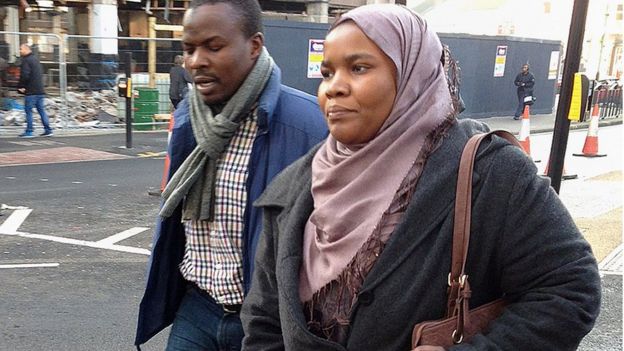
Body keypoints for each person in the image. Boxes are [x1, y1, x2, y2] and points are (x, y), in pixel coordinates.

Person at [241, 4, 600, 351]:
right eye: (327, 73)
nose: (334, 87)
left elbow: (569, 287)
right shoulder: (296, 187)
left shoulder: (489, 174)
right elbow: (264, 321)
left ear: (414, 75)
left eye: (359, 68)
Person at [134, 0, 328, 350]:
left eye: (213, 46)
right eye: (189, 49)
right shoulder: (187, 119)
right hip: (196, 308)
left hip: (266, 322)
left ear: (254, 46)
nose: (196, 61)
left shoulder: (311, 125)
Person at [17, 44, 53, 138]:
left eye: (21, 49)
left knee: (28, 111)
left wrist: (21, 86)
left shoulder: (26, 60)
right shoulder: (36, 59)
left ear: (26, 49)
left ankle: (29, 131)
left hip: (31, 91)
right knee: (41, 110)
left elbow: (25, 74)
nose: (20, 51)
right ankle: (48, 130)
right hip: (40, 90)